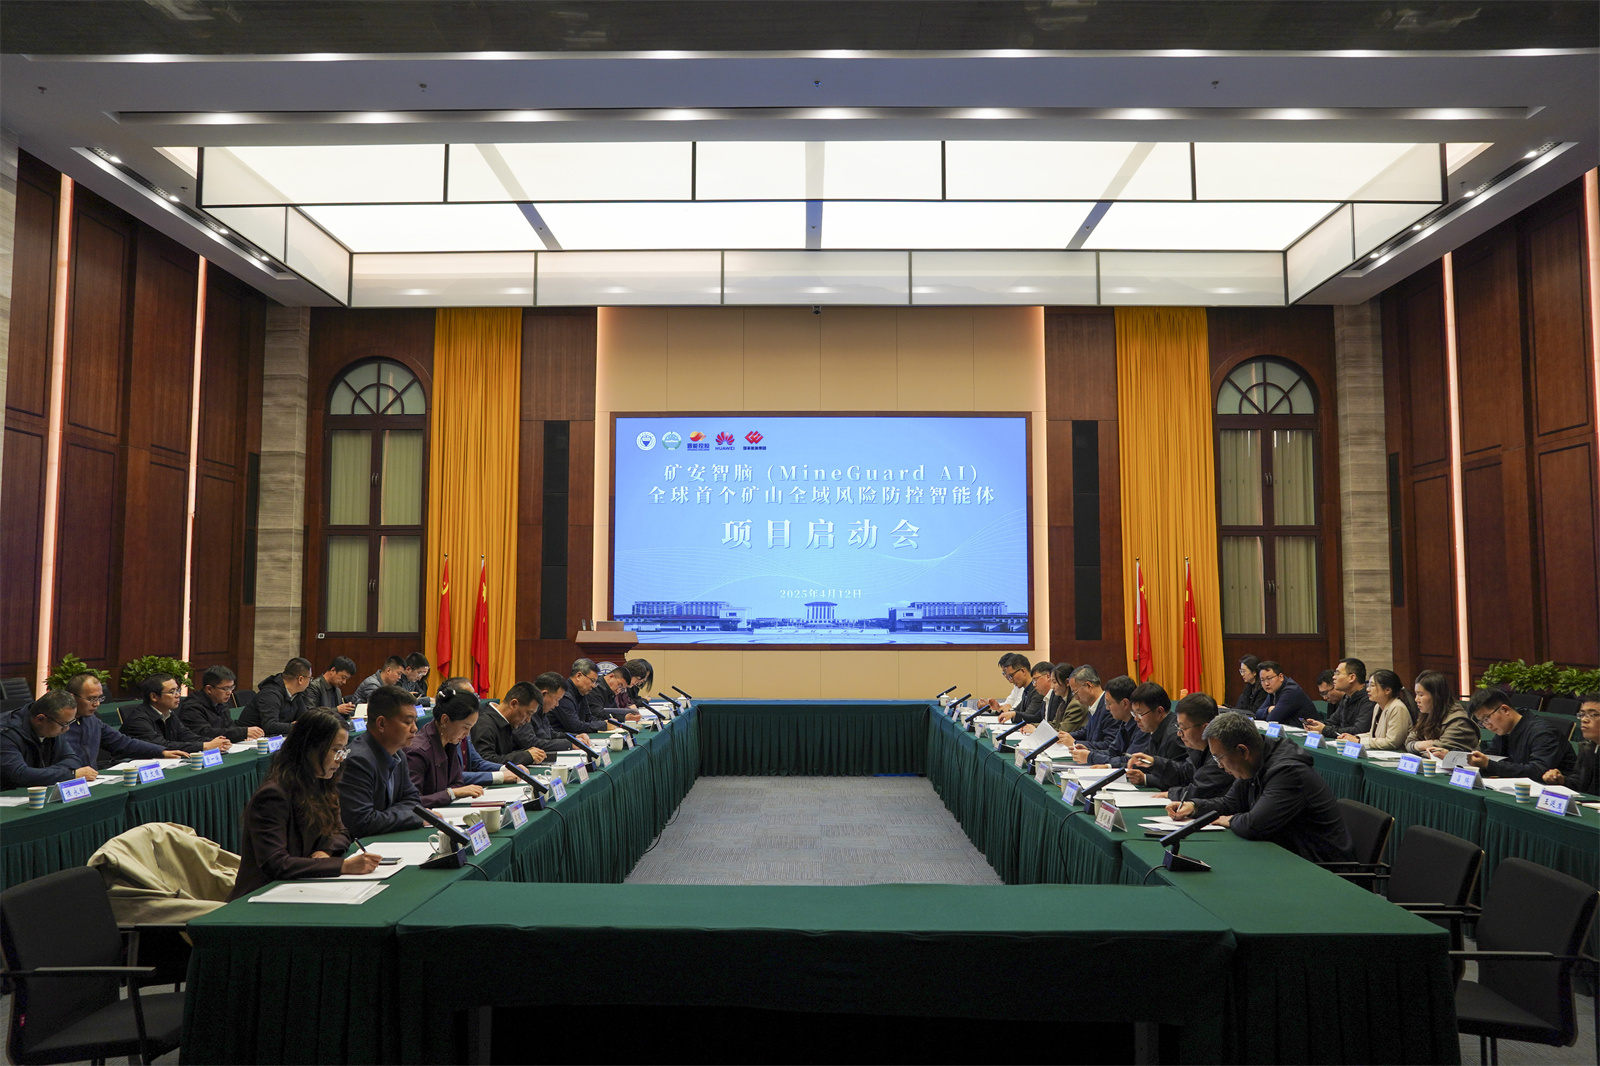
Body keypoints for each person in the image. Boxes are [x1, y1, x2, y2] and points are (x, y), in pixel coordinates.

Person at [228, 709, 381, 900]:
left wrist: (325, 852)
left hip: (302, 887)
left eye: (343, 750)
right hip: (263, 896)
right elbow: (275, 863)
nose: (341, 758)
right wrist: (343, 866)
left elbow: (341, 832)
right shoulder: (273, 795)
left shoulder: (322, 784)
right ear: (309, 748)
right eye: (336, 750)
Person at [1167, 711, 1354, 864]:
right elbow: (1229, 803)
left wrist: (1231, 820)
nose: (1219, 765)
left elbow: (1254, 825)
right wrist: (1194, 807)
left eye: (1219, 757)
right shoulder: (1255, 761)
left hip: (1320, 867)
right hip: (1287, 856)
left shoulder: (1289, 772)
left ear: (1242, 751)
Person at [337, 684, 424, 836]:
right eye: (408, 722)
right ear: (381, 724)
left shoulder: (398, 754)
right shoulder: (358, 760)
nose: (415, 728)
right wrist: (411, 816)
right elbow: (361, 822)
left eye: (415, 721)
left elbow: (413, 799)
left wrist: (385, 816)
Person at [405, 688, 514, 807]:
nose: (467, 734)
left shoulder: (450, 740)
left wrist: (453, 792)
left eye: (470, 728)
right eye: (465, 727)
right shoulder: (417, 752)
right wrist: (451, 793)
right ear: (445, 720)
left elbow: (457, 782)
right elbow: (412, 802)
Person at [63, 672, 185, 768]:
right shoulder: (58, 725)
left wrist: (161, 752)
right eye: (91, 699)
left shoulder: (92, 721)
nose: (97, 704)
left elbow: (123, 743)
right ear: (72, 697)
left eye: (100, 698)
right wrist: (72, 773)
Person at [1126, 692, 1232, 801]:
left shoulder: (1221, 755)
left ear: (1205, 728)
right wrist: (1154, 763)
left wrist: (1171, 794)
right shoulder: (1198, 748)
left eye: (1183, 728)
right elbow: (1185, 773)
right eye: (1178, 727)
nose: (1179, 733)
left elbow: (1201, 790)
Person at [1466, 689, 1576, 779]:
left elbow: (1538, 771)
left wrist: (1488, 764)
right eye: (1482, 722)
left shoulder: (1543, 733)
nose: (1487, 725)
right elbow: (1492, 757)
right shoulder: (1504, 732)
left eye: (1487, 718)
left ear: (1505, 710)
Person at [0, 692, 92, 788]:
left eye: (70, 723)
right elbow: (20, 774)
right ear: (40, 719)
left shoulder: (53, 726)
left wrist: (45, 774)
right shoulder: (5, 733)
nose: (67, 729)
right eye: (64, 724)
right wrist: (69, 774)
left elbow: (73, 760)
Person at [122, 674, 230, 753]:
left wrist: (216, 742)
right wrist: (204, 746)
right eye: (172, 692)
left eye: (178, 690)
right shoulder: (138, 720)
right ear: (154, 697)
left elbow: (187, 736)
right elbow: (162, 745)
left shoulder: (169, 714)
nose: (178, 695)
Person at [179, 665, 265, 745]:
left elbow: (229, 728)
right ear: (209, 689)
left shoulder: (221, 704)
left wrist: (241, 736)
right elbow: (205, 733)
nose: (230, 692)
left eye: (232, 687)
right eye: (225, 688)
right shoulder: (192, 707)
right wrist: (242, 732)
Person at [471, 682, 550, 766]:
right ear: (513, 704)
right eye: (528, 713)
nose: (528, 720)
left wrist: (528, 753)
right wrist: (526, 756)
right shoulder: (484, 724)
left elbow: (505, 755)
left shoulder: (507, 722)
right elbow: (485, 762)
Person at [1068, 674, 1138, 766]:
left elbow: (1130, 761)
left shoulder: (1141, 726)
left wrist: (1091, 756)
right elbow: (1112, 751)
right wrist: (1088, 751)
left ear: (1125, 703)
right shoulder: (1125, 723)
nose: (1107, 708)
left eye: (1109, 704)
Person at [1406, 670, 1480, 755]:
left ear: (1436, 696)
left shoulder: (1459, 722)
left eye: (1421, 695)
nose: (1416, 699)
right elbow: (1408, 742)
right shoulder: (1426, 714)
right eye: (1416, 694)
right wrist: (1422, 745)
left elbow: (1439, 751)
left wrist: (1419, 747)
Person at [1338, 669, 1413, 751]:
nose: (1368, 689)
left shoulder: (1397, 708)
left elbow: (1391, 742)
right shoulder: (1377, 706)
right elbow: (1373, 735)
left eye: (1372, 686)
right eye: (1368, 685)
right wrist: (1355, 737)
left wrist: (1359, 741)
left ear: (1387, 690)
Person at [239, 658, 315, 736]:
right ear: (300, 679)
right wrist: (296, 726)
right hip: (249, 739)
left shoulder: (296, 694)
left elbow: (306, 720)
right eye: (310, 678)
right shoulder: (270, 695)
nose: (310, 682)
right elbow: (270, 726)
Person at [1543, 695, 1599, 795]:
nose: (1584, 720)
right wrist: (1562, 781)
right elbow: (1580, 783)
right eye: (1582, 715)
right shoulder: (1588, 747)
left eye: (1593, 715)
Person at [1303, 659, 1373, 739]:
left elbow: (1359, 730)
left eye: (1337, 673)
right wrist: (1315, 725)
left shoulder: (1369, 699)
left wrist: (1324, 729)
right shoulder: (1347, 697)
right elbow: (1332, 722)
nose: (1334, 677)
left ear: (1352, 678)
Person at [517, 672, 579, 753]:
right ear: (544, 694)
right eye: (556, 700)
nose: (557, 704)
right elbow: (531, 743)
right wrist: (569, 744)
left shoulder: (542, 709)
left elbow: (551, 734)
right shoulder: (525, 709)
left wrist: (575, 737)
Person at [1123, 682, 1184, 765]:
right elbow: (1144, 763)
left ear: (1159, 711)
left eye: (1139, 714)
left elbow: (1179, 771)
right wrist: (1109, 766)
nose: (1136, 719)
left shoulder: (1175, 736)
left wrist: (1146, 775)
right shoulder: (1156, 729)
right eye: (1134, 713)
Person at [553, 659, 615, 734]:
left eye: (595, 682)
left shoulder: (581, 692)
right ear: (578, 676)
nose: (593, 686)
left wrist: (607, 722)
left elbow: (588, 718)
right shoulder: (564, 695)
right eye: (592, 681)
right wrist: (603, 725)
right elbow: (575, 726)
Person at [1057, 665, 1110, 752]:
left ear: (1089, 686)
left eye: (1075, 692)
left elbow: (1108, 745)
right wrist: (1063, 737)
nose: (1076, 698)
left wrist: (1074, 742)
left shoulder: (1109, 708)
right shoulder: (1093, 706)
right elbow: (1085, 732)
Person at [1026, 662, 1085, 737]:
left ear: (1067, 682)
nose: (1052, 687)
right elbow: (1054, 724)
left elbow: (1062, 731)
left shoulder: (1075, 704)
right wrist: (1033, 725)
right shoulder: (1063, 702)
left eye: (1054, 682)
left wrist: (1036, 731)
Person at [1000, 660, 1048, 725]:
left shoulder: (1038, 691)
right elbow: (1016, 711)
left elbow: (1031, 717)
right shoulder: (1026, 690)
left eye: (1011, 675)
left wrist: (1011, 712)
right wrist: (1001, 710)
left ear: (1023, 671)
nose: (1010, 680)